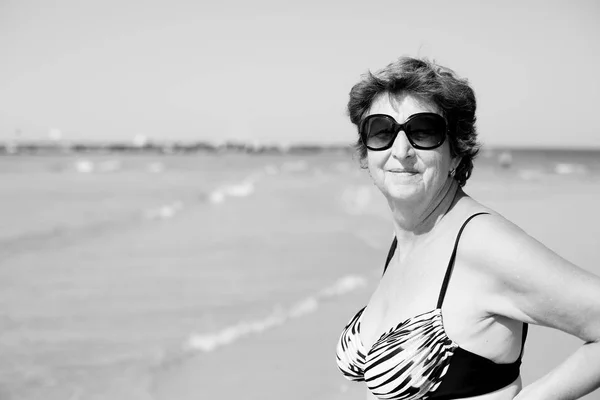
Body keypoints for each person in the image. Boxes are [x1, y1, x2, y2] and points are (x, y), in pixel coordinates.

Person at [335, 57, 600, 400]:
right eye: (382, 131)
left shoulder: (481, 242)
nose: (400, 151)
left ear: (456, 153)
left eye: (423, 131)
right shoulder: (408, 237)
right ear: (365, 152)